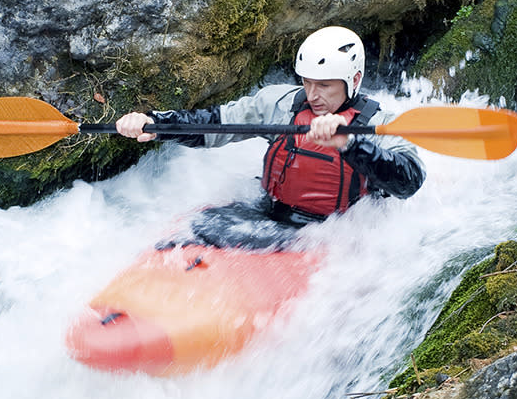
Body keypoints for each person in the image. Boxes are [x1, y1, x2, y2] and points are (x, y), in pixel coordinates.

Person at [116, 26, 425, 246]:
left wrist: (350, 144)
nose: (313, 94)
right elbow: (216, 124)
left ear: (354, 79)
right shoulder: (280, 103)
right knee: (196, 228)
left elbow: (408, 182)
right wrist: (156, 123)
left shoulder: (382, 124)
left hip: (328, 233)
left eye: (325, 85)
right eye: (307, 82)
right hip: (267, 211)